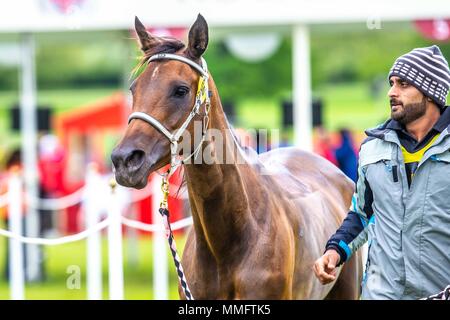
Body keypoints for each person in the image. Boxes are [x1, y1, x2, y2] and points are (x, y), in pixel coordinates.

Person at [313, 45, 450, 299]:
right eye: (392, 83)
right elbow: (362, 215)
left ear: (430, 93)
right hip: (380, 294)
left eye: (403, 84)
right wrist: (334, 252)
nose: (391, 92)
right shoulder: (372, 148)